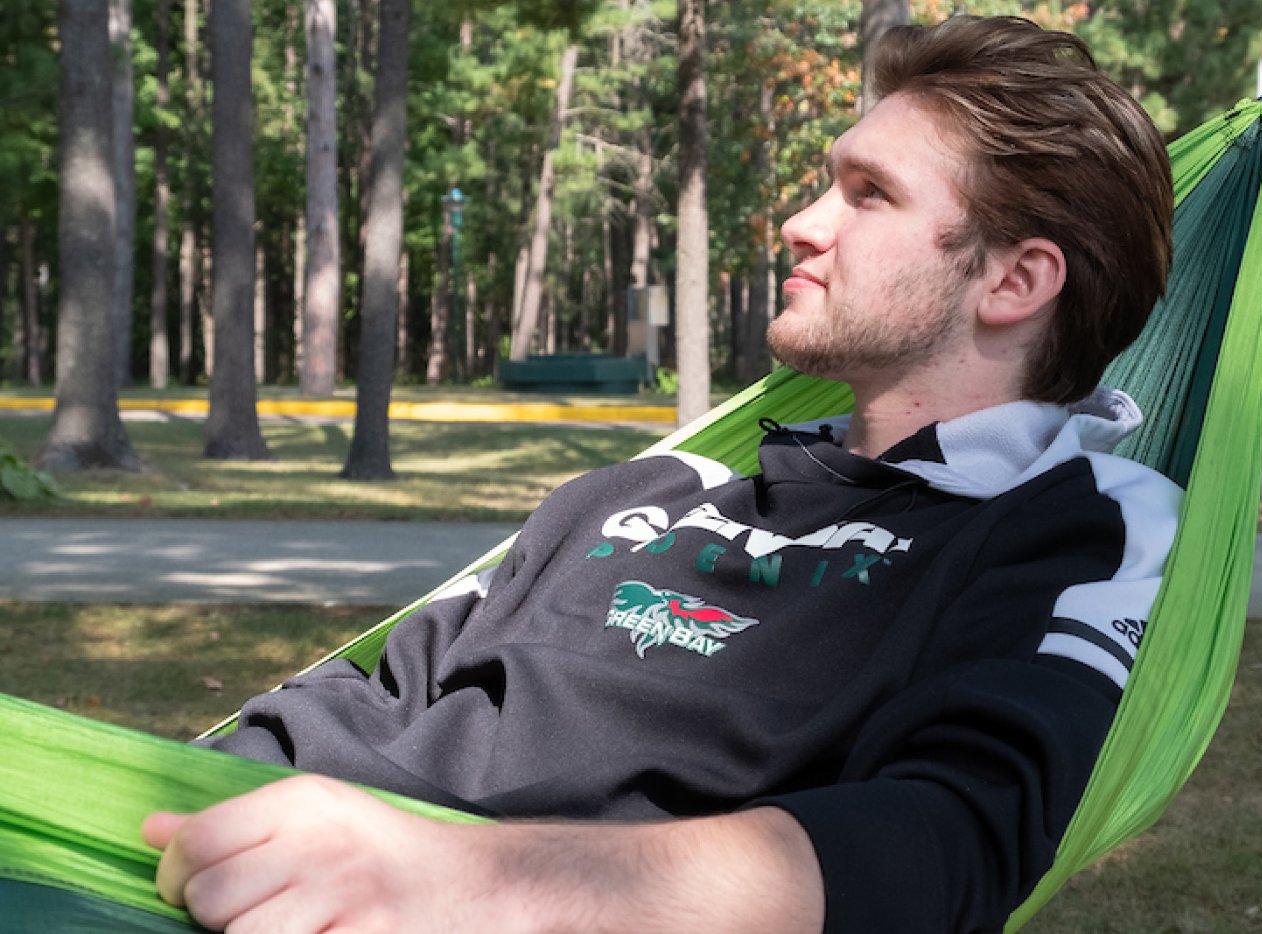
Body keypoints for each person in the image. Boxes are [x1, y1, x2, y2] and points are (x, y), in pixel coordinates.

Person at [142, 15, 1178, 933]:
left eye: (868, 196)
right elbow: (368, 690)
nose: (803, 221)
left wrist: (467, 883)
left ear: (1014, 278)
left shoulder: (1064, 522)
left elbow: (948, 846)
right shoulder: (644, 491)